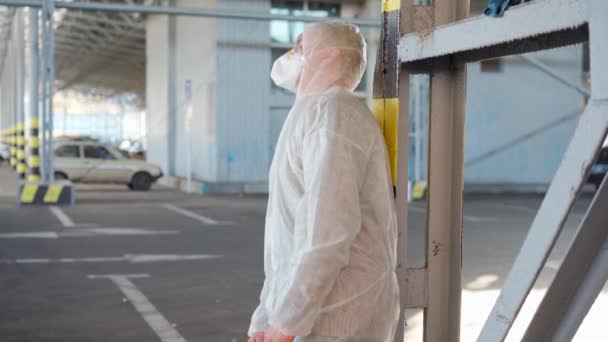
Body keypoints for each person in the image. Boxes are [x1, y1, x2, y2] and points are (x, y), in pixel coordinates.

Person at [248, 22, 400, 342]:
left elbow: (328, 231)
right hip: (313, 312)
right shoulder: (310, 112)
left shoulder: (333, 113)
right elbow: (285, 238)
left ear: (330, 56)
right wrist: (267, 314)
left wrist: (286, 321)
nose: (293, 54)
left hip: (340, 314)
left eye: (302, 47)